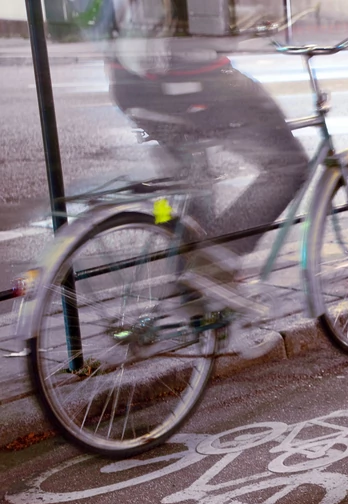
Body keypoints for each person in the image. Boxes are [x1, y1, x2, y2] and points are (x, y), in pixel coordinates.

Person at [98, 0, 308, 317]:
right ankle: (215, 265)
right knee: (289, 164)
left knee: (196, 181)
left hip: (127, 82)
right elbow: (212, 25)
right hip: (186, 79)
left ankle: (197, 304)